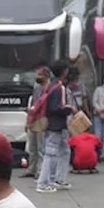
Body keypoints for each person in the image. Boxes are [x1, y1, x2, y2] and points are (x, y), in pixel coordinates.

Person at [36, 60, 74, 194]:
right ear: (64, 72)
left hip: (50, 123)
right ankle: (43, 182)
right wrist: (70, 109)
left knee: (64, 150)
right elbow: (58, 107)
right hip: (56, 124)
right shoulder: (59, 87)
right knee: (51, 153)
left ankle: (58, 178)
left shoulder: (50, 85)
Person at [22, 67, 49, 180]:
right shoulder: (36, 87)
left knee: (40, 147)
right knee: (32, 146)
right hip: (33, 118)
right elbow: (33, 103)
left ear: (46, 76)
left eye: (39, 75)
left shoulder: (49, 88)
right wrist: (28, 120)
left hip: (42, 118)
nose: (37, 77)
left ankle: (40, 170)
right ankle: (31, 169)